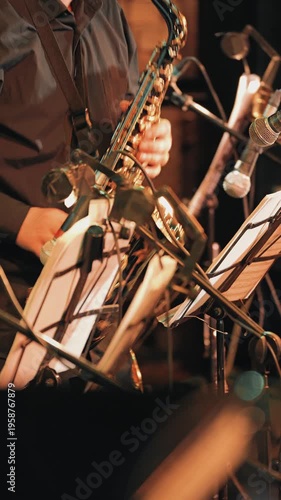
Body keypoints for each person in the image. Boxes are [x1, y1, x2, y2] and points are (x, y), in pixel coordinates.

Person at [0, 0, 172, 371]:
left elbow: (122, 113)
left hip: (100, 293)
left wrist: (150, 141)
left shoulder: (108, 11)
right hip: (13, 297)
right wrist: (16, 220)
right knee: (17, 428)